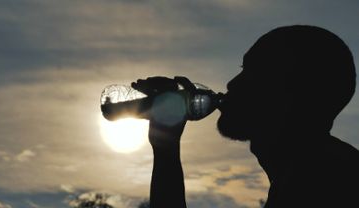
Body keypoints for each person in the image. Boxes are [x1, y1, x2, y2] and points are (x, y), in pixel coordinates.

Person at [132, 25, 359, 208]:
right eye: (242, 68)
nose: (232, 83)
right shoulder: (314, 172)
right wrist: (166, 144)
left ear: (298, 91)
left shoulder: (322, 184)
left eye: (255, 71)